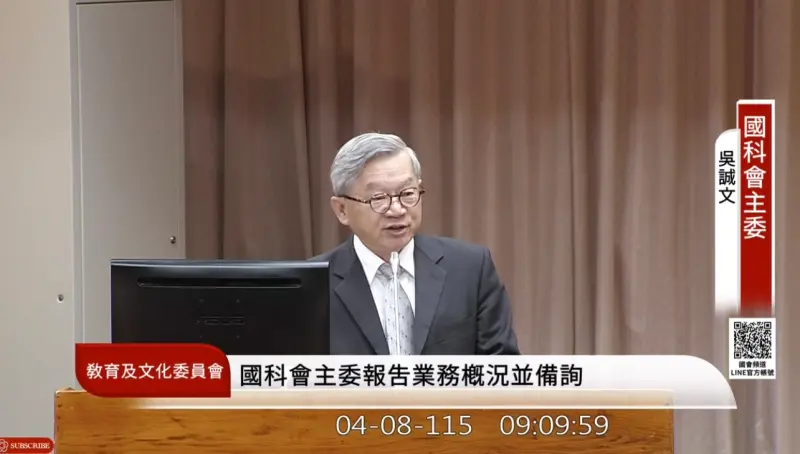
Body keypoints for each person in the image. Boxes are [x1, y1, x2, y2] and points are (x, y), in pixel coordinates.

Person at [314, 132, 519, 355]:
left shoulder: (470, 268)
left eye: (407, 193)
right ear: (342, 209)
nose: (397, 209)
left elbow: (502, 365)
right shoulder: (314, 285)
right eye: (378, 198)